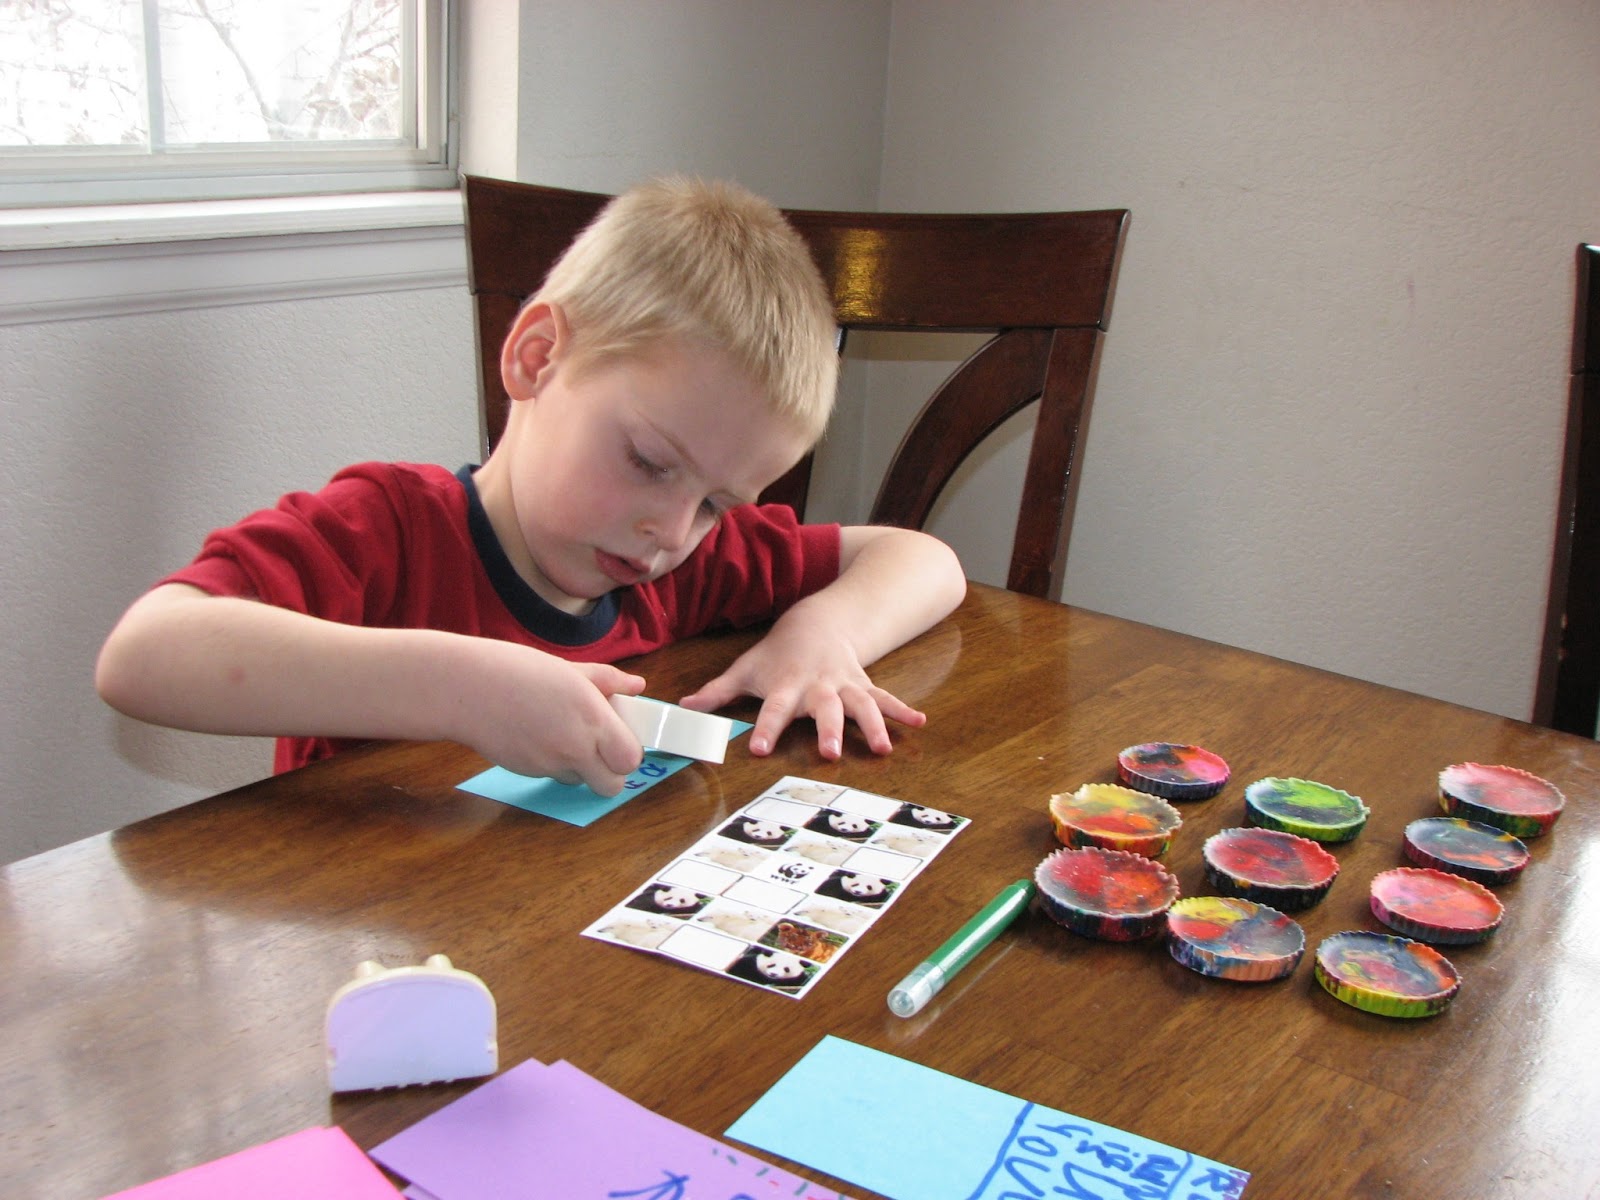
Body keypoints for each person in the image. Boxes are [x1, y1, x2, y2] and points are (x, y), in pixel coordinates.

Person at [95, 176, 967, 796]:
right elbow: (144, 655)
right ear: (537, 358)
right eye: (649, 461)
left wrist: (821, 632)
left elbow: (923, 561)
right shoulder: (388, 531)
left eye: (715, 504)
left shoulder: (683, 564)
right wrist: (460, 689)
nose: (674, 530)